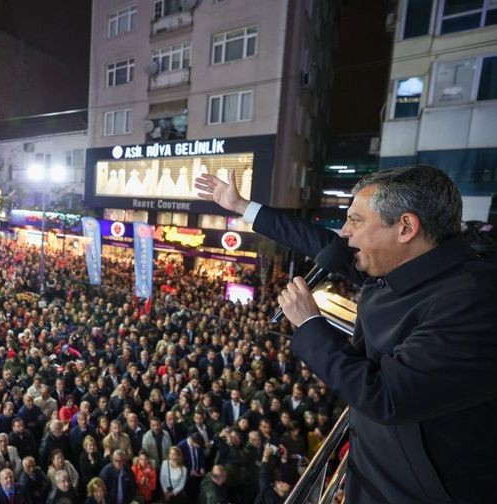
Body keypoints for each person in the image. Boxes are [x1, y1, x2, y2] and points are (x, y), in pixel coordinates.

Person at [196, 164, 497, 503]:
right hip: (375, 472)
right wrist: (241, 207)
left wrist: (310, 324)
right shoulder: (415, 265)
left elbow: (387, 396)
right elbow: (324, 243)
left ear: (406, 227)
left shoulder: (472, 302)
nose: (344, 232)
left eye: (356, 220)